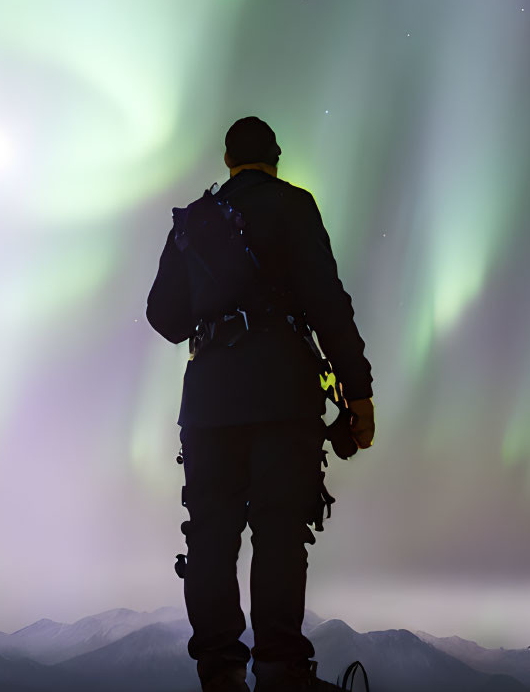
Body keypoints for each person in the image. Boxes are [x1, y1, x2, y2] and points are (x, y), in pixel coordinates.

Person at [146, 116, 375, 692]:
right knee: (279, 534)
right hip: (282, 398)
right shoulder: (295, 207)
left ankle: (220, 673)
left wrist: (212, 299)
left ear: (228, 161)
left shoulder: (194, 222)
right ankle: (280, 673)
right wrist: (358, 389)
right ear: (275, 159)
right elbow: (328, 302)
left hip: (208, 405)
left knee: (211, 537)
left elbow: (164, 318)